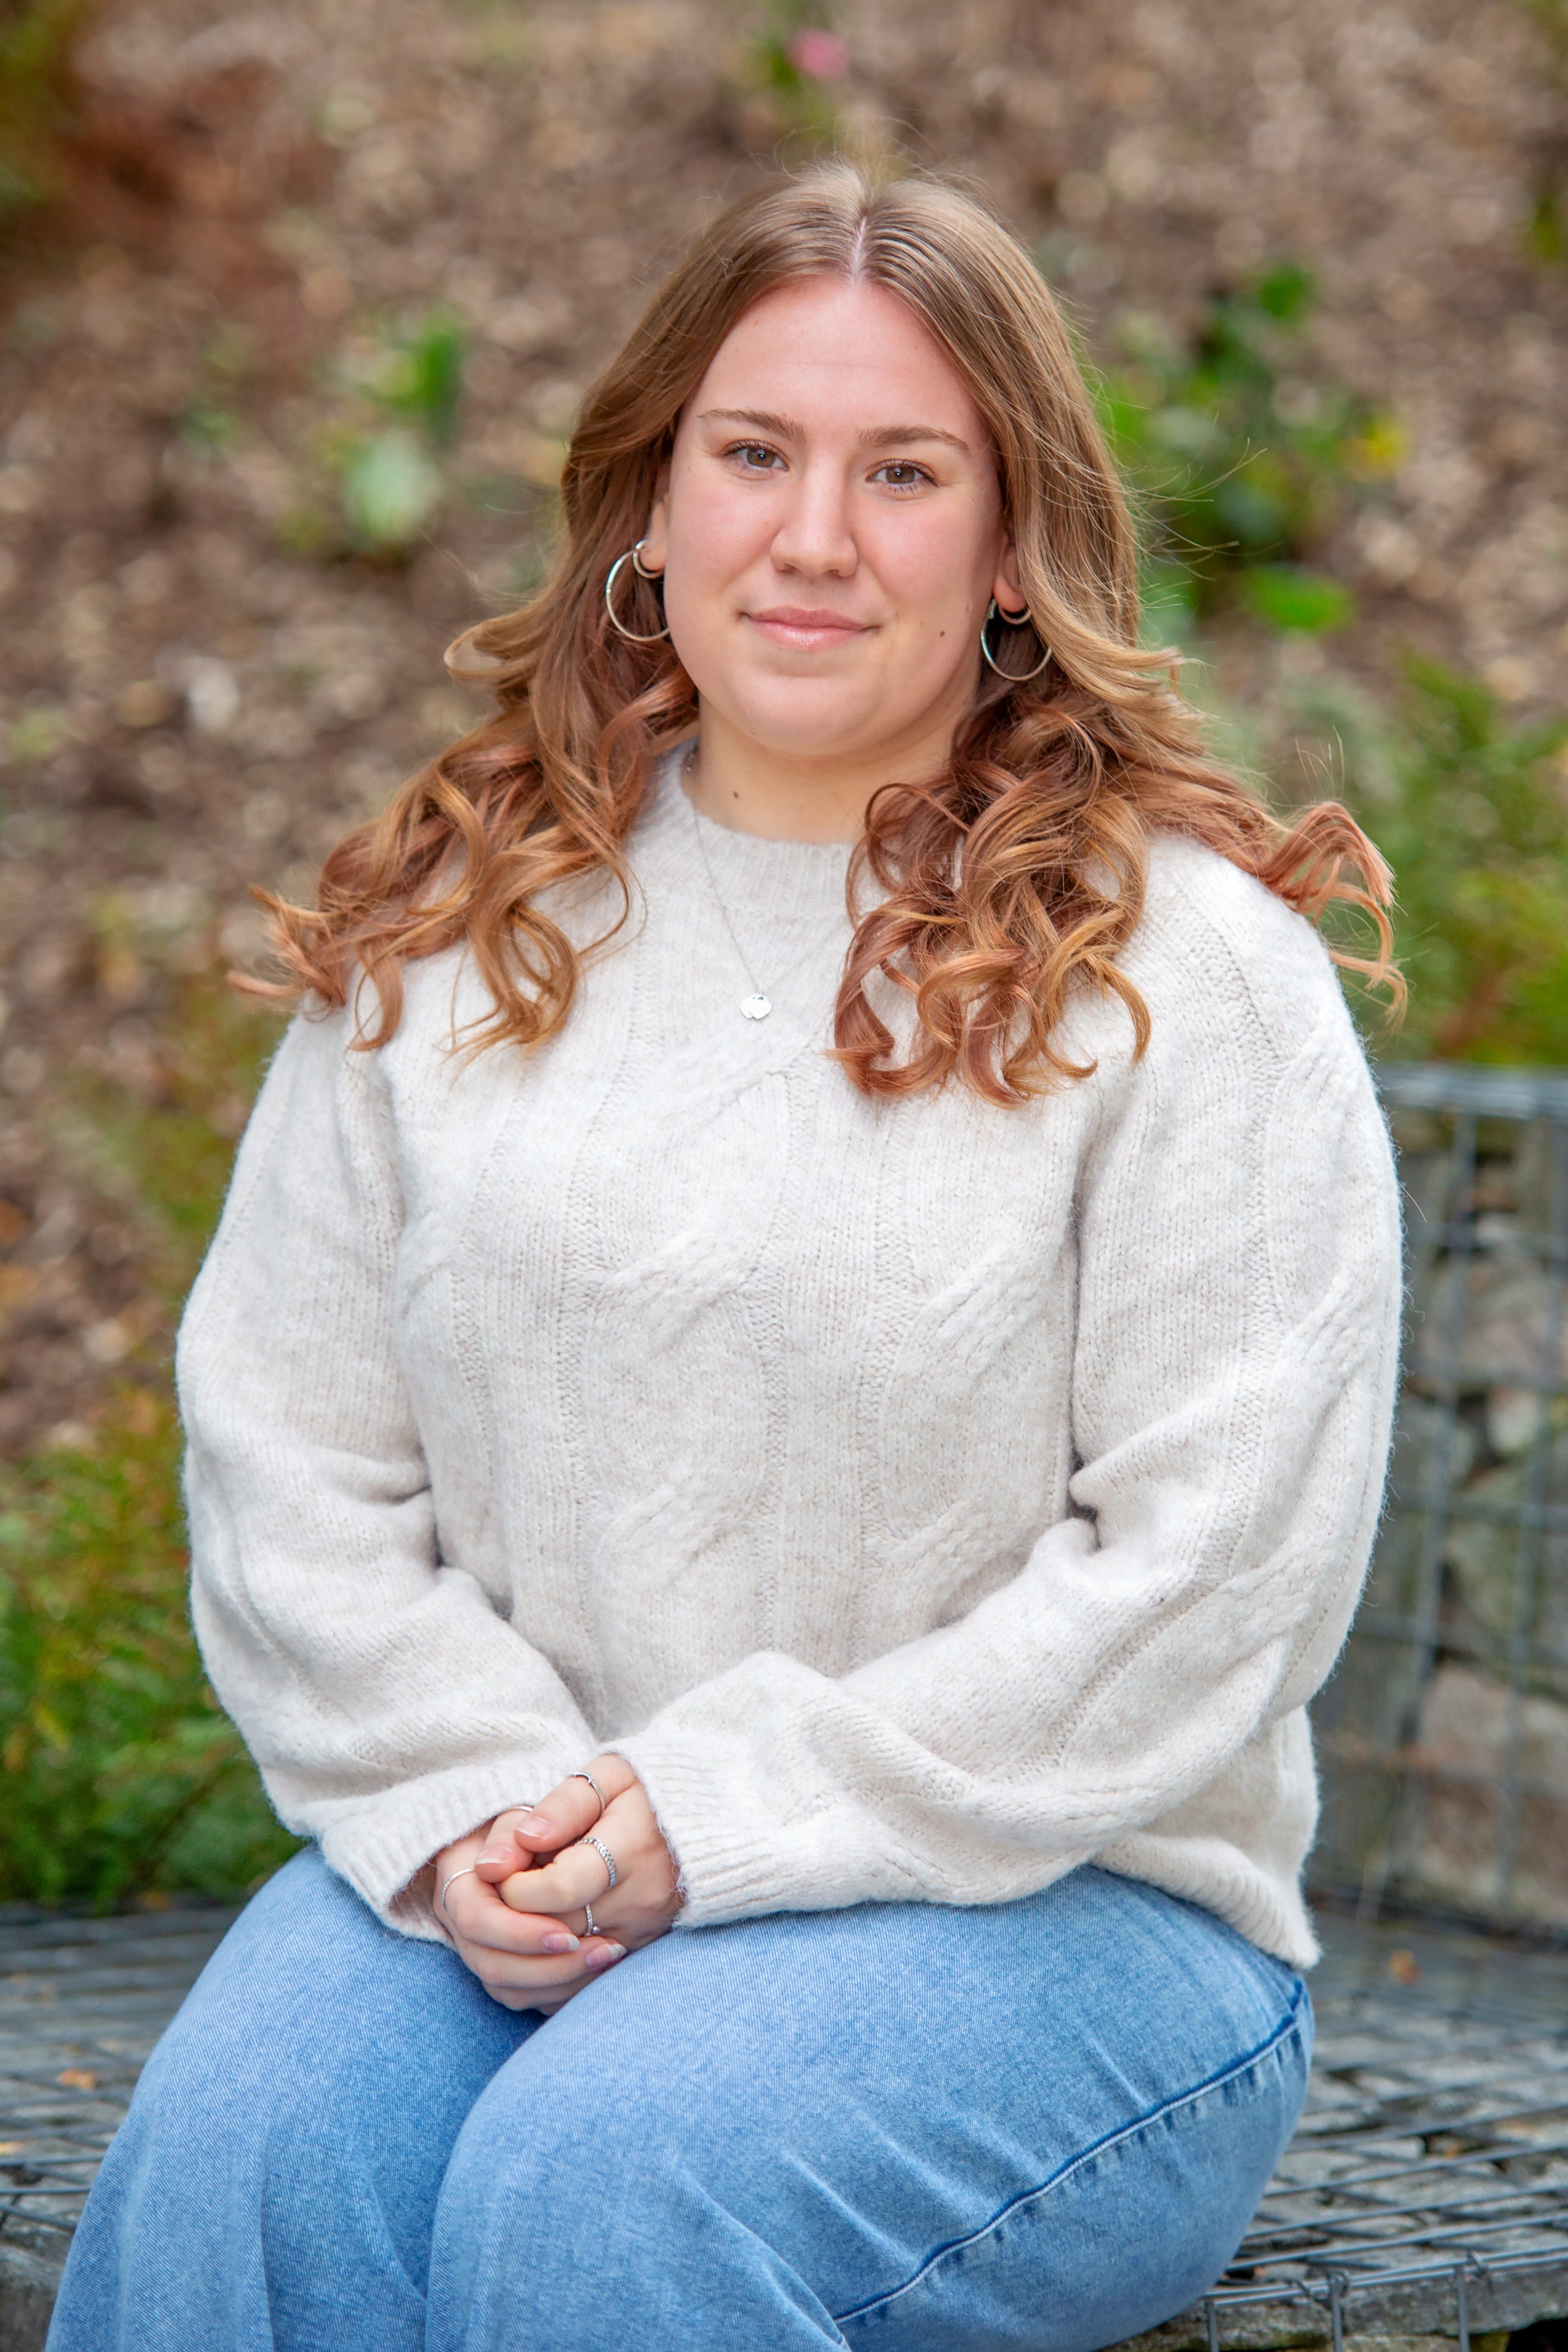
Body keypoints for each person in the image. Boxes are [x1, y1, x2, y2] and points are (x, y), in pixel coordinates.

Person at [49, 163, 1403, 2352]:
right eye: (752, 454)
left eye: (902, 472)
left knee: (613, 2183)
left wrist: (716, 1818)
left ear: (1006, 542)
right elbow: (288, 1457)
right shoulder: (458, 929)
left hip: (1066, 1920)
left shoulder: (1189, 978)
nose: (809, 536)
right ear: (648, 511)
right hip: (512, 1875)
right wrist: (484, 1799)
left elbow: (1205, 1584)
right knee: (247, 2169)